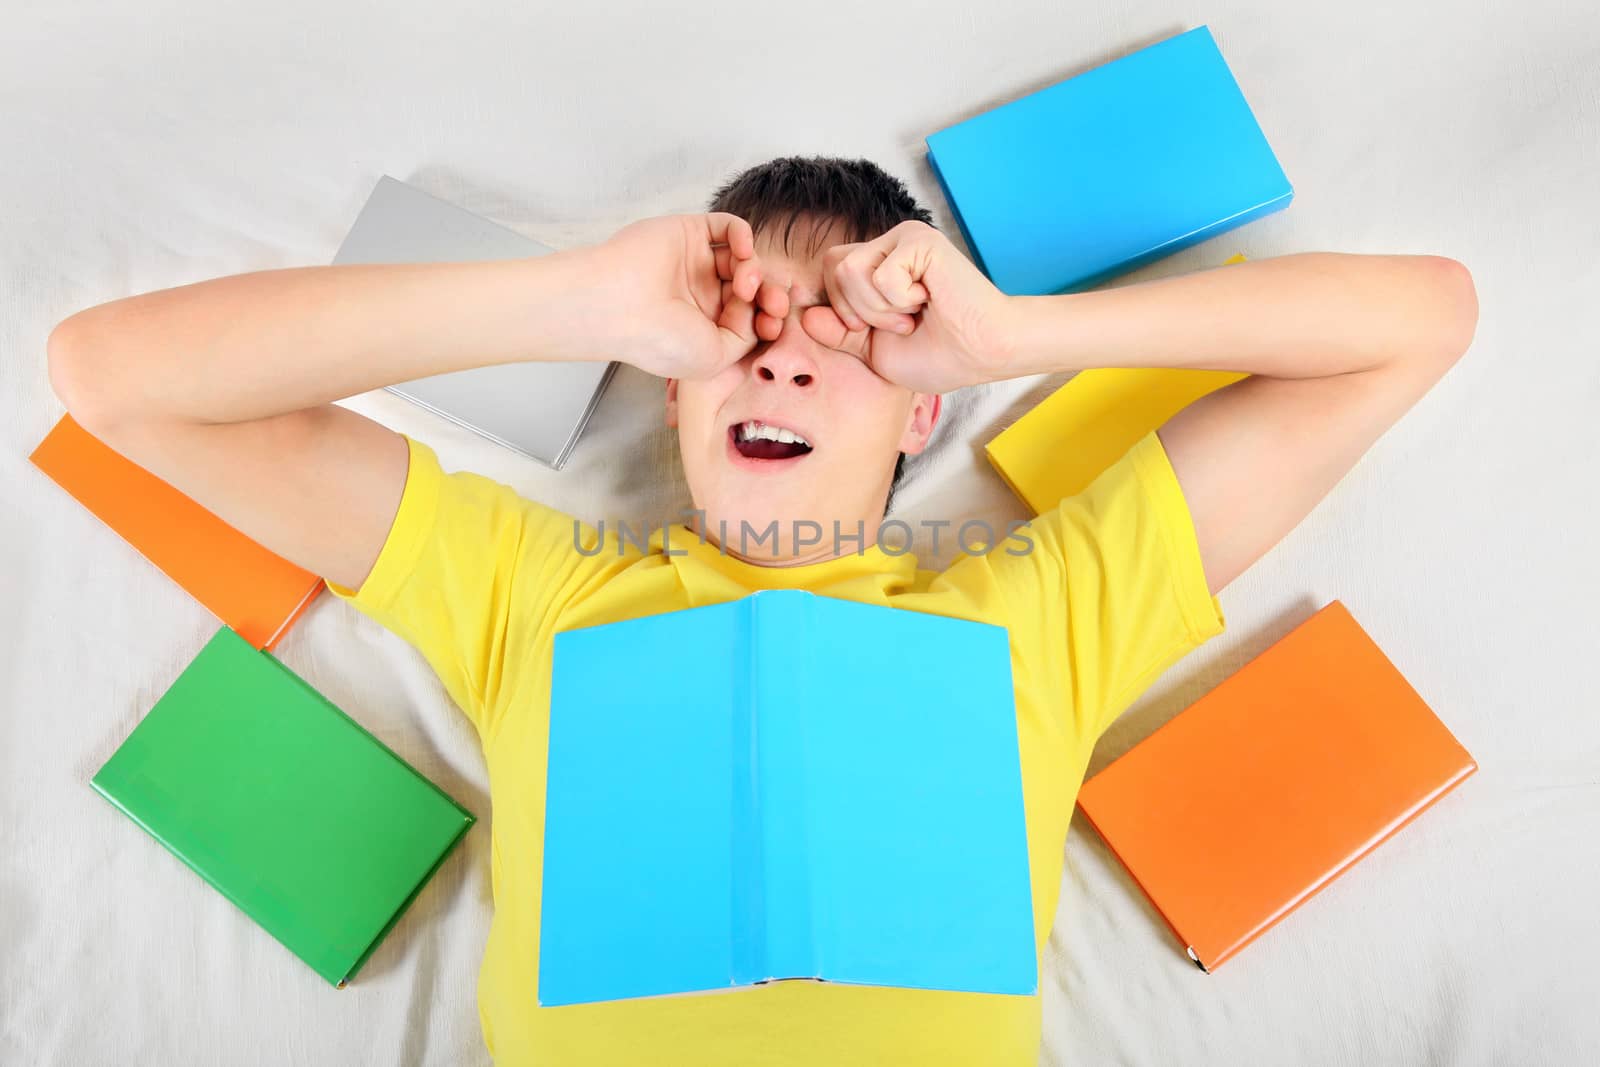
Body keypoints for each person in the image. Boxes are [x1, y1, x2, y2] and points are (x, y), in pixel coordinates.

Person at [46, 155, 1478, 1065]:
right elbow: (108, 381)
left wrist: (1026, 335)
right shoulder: (534, 598)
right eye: (744, 329)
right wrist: (574, 302)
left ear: (927, 411)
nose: (785, 363)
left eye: (848, 335)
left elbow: (1423, 322)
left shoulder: (1045, 610)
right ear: (671, 385)